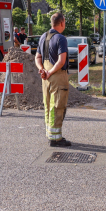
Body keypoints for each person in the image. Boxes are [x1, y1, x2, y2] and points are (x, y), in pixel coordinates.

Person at [35, 13, 71, 147]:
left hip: (45, 78)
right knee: (57, 106)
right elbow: (61, 61)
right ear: (62, 23)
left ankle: (50, 135)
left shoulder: (43, 37)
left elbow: (37, 57)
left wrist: (42, 69)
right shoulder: (61, 38)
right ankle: (56, 139)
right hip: (56, 76)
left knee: (48, 105)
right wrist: (50, 72)